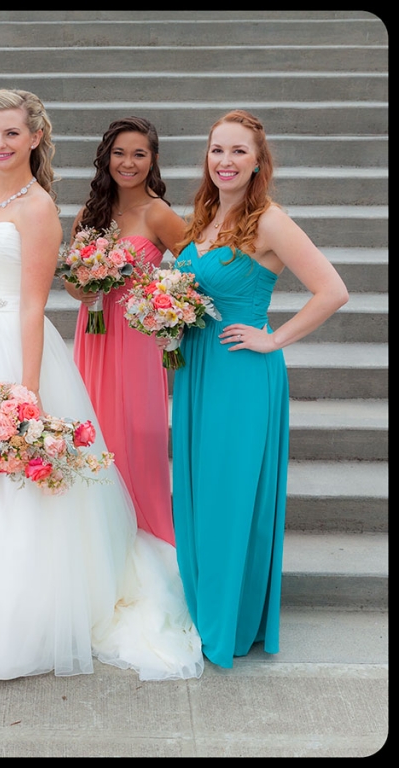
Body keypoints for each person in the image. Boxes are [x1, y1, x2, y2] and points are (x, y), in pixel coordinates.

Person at [0, 88, 203, 681]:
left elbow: (32, 307)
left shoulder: (39, 210)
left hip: (12, 342)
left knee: (12, 484)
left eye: (10, 134)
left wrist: (26, 392)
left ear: (34, 138)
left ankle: (16, 621)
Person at [170, 109, 349, 668]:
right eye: (217, 150)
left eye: (238, 152)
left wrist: (275, 340)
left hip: (241, 374)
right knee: (200, 493)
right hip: (198, 370)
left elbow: (332, 290)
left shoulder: (268, 219)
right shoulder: (204, 216)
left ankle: (229, 622)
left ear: (257, 161)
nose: (225, 161)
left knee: (228, 494)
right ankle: (209, 610)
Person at [63, 117, 186, 546]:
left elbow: (195, 272)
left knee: (136, 434)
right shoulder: (89, 214)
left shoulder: (159, 213)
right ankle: (99, 540)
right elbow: (71, 284)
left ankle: (147, 532)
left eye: (138, 154)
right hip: (94, 332)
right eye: (119, 153)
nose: (127, 163)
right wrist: (88, 280)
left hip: (135, 337)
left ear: (153, 160)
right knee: (96, 430)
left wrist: (162, 301)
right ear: (105, 158)